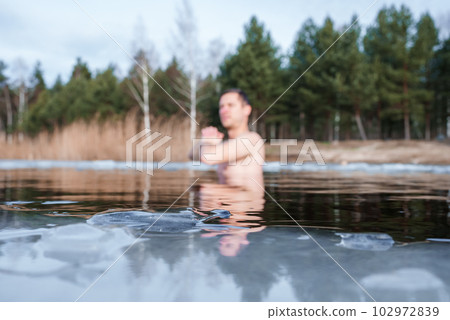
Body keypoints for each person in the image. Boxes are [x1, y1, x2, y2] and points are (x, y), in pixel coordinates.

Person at [189, 88, 265, 189]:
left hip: (246, 204)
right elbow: (191, 155)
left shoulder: (253, 139)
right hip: (224, 201)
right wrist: (205, 140)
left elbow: (208, 157)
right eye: (221, 107)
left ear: (246, 109)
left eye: (231, 105)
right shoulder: (225, 145)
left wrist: (207, 141)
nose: (224, 111)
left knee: (205, 193)